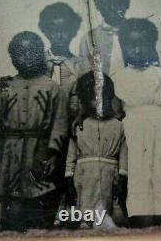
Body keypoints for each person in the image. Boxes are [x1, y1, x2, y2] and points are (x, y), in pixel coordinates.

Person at [0, 31, 68, 231]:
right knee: (12, 212)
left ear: (42, 53)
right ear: (12, 58)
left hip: (40, 155)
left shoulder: (52, 88)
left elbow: (60, 123)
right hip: (10, 158)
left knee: (41, 210)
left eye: (33, 52)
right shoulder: (5, 88)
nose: (27, 57)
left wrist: (54, 154)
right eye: (21, 53)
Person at [115, 18, 161, 227]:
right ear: (123, 46)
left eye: (144, 44)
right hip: (133, 135)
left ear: (152, 46)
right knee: (137, 175)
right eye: (132, 45)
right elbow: (115, 113)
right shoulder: (118, 78)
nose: (138, 50)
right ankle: (141, 217)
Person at [65, 71, 128, 229]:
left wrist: (122, 174)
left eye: (102, 98)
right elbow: (71, 155)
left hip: (109, 173)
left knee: (111, 210)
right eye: (92, 99)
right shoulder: (79, 126)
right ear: (85, 100)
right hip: (84, 174)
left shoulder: (118, 125)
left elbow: (123, 152)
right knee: (85, 210)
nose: (98, 103)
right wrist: (68, 176)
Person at [78, 0, 131, 77]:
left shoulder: (139, 33)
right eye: (107, 2)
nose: (112, 7)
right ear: (97, 4)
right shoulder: (89, 39)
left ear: (127, 3)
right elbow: (85, 76)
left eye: (117, 1)